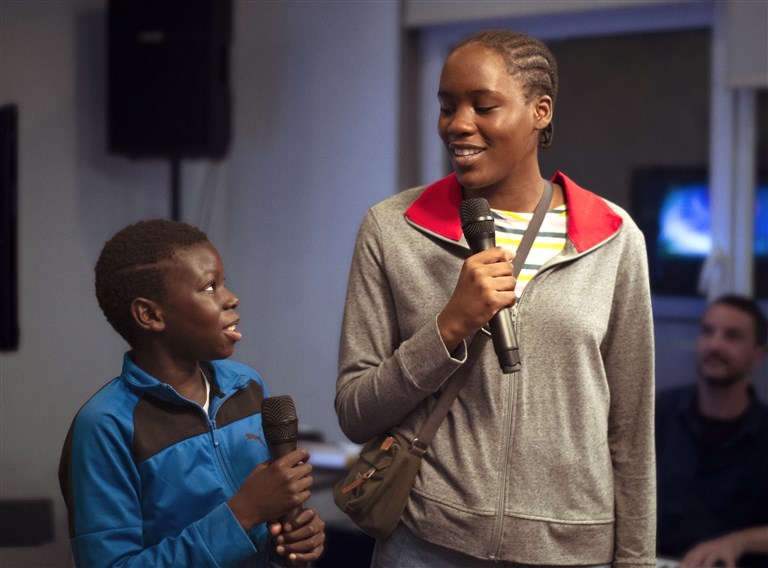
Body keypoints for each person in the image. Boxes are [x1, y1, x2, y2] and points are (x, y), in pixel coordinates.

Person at [335, 29, 656, 567]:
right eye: (447, 106)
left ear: (540, 112)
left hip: (569, 549)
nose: (458, 124)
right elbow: (355, 411)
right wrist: (447, 329)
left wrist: (637, 560)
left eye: (483, 106)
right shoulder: (392, 229)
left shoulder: (614, 238)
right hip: (426, 542)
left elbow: (632, 428)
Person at [59, 219, 325, 567]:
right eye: (210, 287)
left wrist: (290, 543)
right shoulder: (106, 426)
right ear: (150, 314)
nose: (232, 298)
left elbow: (266, 527)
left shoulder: (246, 386)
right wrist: (243, 513)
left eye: (224, 283)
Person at [656, 295, 768, 567]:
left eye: (732, 336)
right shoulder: (659, 413)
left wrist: (738, 542)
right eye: (707, 331)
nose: (715, 344)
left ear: (757, 355)